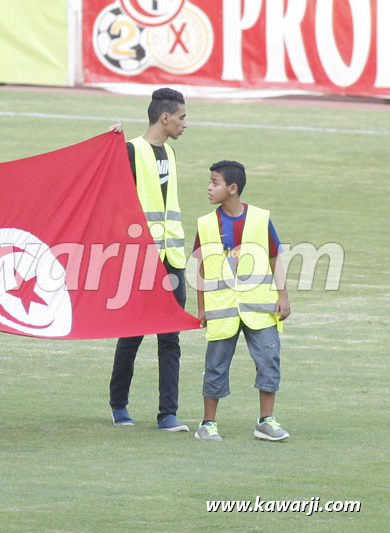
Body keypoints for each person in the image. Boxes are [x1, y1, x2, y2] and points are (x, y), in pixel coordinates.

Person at [108, 88, 189, 431]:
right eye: (182, 117)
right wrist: (109, 145)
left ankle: (167, 414)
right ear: (165, 117)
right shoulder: (130, 151)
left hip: (173, 259)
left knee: (170, 338)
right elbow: (110, 189)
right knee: (133, 335)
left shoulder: (169, 153)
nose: (186, 124)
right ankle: (118, 404)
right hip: (141, 259)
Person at [193, 160, 291, 441]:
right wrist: (201, 307)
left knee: (269, 360)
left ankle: (266, 421)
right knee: (215, 365)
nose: (209, 188)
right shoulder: (205, 224)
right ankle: (207, 424)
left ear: (232, 188)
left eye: (215, 183)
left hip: (261, 308)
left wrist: (283, 295)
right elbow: (200, 269)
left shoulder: (260, 218)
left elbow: (275, 257)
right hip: (221, 309)